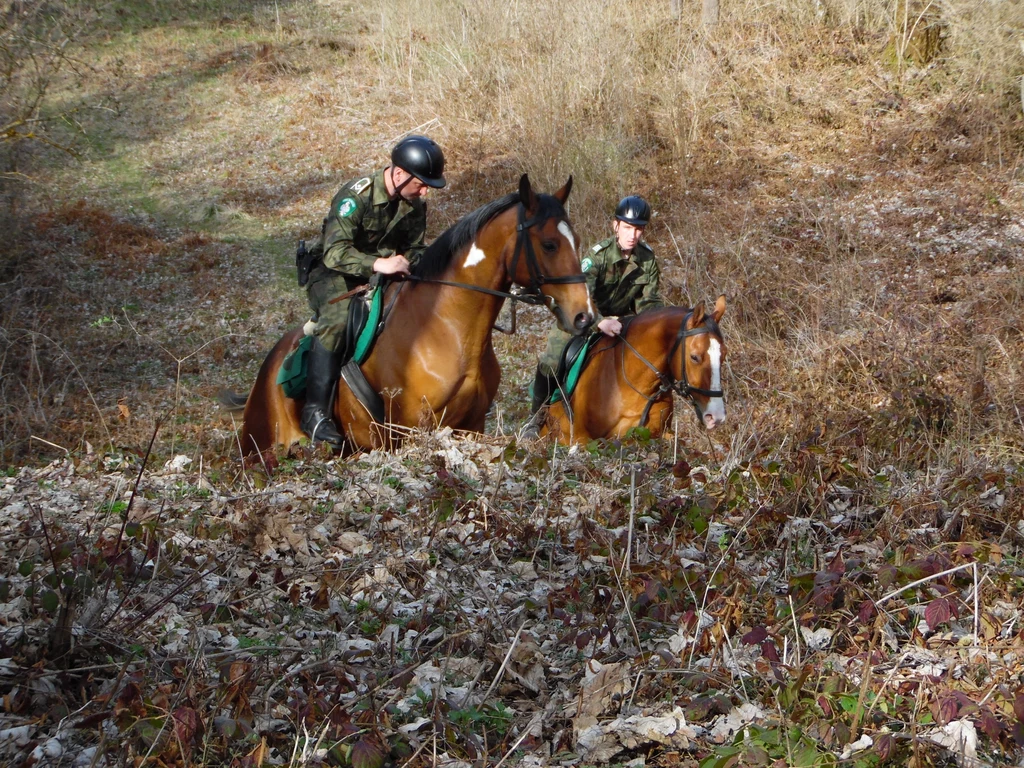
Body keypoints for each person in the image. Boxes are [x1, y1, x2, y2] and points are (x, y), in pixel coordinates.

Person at [301, 134, 447, 447]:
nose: (424, 191)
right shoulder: (356, 197)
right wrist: (379, 264)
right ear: (399, 174)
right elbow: (334, 252)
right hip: (331, 274)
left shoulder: (414, 205)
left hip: (383, 273)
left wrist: (432, 262)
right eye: (421, 184)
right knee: (339, 318)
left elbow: (415, 249)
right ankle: (315, 413)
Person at [529, 194, 663, 418]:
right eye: (628, 227)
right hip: (581, 319)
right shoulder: (597, 257)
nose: (633, 235)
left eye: (639, 229)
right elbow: (579, 299)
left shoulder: (647, 260)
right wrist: (600, 322)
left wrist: (661, 323)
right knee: (551, 362)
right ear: (616, 226)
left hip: (622, 324)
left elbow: (648, 301)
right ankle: (535, 418)